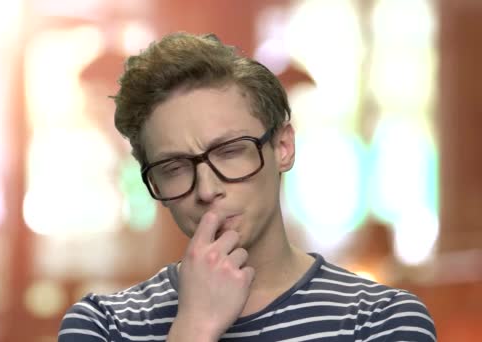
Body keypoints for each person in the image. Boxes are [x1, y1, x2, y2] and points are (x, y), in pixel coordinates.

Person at [58, 32, 436, 341]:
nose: (207, 189)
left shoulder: (380, 320)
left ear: (283, 147)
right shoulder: (103, 325)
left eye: (229, 151)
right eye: (174, 167)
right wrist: (194, 328)